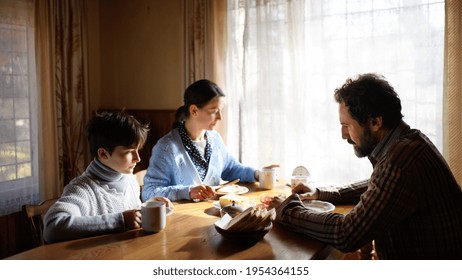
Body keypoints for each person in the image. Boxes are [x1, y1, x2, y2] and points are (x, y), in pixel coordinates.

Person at [270, 73, 462, 259]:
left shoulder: (400, 163)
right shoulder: (410, 142)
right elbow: (380, 185)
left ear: (375, 122)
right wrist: (322, 193)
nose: (343, 135)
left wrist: (287, 210)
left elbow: (347, 233)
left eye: (347, 126)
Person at [43, 110, 173, 243]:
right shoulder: (82, 189)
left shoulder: (128, 178)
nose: (138, 158)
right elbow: (53, 227)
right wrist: (120, 220)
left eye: (138, 150)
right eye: (129, 152)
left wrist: (149, 206)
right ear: (103, 154)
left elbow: (130, 215)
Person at [142, 79, 273, 202]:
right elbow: (149, 192)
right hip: (182, 220)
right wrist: (187, 192)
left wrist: (256, 174)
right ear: (194, 110)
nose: (220, 117)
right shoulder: (166, 147)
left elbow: (230, 168)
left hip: (213, 213)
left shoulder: (214, 138)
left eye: (220, 111)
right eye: (214, 111)